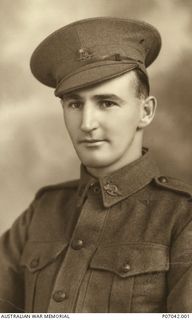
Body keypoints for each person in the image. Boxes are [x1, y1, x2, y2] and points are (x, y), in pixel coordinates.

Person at [0, 17, 192, 313]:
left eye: (107, 103)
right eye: (75, 104)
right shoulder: (42, 210)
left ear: (146, 111)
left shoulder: (182, 216)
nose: (87, 124)